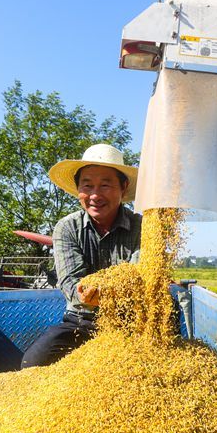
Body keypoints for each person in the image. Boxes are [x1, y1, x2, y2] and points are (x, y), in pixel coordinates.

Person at [20, 144, 140, 369]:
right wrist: (88, 295)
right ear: (78, 190)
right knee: (32, 362)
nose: (95, 195)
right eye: (87, 185)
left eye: (105, 185)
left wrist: (109, 292)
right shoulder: (67, 228)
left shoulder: (142, 227)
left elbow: (139, 275)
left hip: (132, 323)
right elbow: (70, 284)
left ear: (123, 187)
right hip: (81, 322)